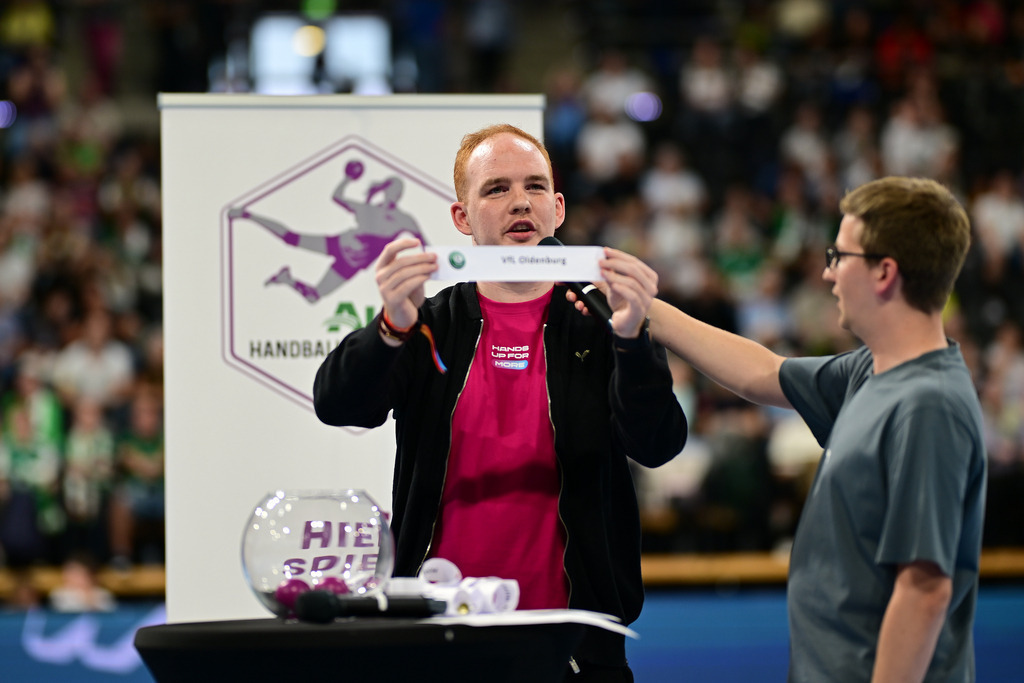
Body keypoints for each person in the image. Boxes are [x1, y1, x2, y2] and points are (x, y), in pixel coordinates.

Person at [314, 123, 687, 681]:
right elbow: (337, 404)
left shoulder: (600, 323)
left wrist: (634, 344)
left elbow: (657, 444)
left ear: (557, 209)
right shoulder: (428, 322)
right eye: (496, 189)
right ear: (461, 218)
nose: (520, 202)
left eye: (535, 187)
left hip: (575, 651)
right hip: (435, 645)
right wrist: (391, 327)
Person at [639, 176, 986, 681]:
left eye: (839, 256)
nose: (828, 273)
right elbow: (762, 372)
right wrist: (647, 308)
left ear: (885, 272)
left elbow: (924, 589)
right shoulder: (872, 370)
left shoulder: (928, 405)